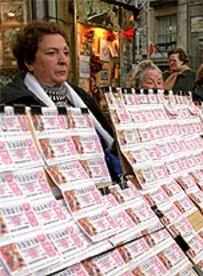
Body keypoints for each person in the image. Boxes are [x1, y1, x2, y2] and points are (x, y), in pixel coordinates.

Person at [0, 21, 121, 181]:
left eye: (65, 52)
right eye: (52, 53)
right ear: (29, 62)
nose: (62, 60)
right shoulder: (11, 101)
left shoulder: (81, 96)